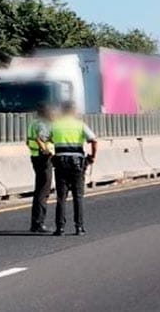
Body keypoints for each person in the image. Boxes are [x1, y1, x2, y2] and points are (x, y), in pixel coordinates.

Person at [50, 101, 98, 236]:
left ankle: (60, 228)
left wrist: (49, 154)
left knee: (61, 197)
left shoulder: (56, 125)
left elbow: (42, 138)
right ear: (73, 111)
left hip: (60, 162)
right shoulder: (80, 125)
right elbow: (94, 140)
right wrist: (92, 157)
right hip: (77, 163)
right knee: (78, 196)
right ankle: (79, 227)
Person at [27, 104, 55, 233]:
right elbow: (40, 138)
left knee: (39, 189)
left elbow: (28, 141)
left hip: (35, 156)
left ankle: (35, 223)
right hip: (43, 158)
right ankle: (38, 223)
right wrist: (46, 151)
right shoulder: (43, 124)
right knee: (43, 191)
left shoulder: (33, 123)